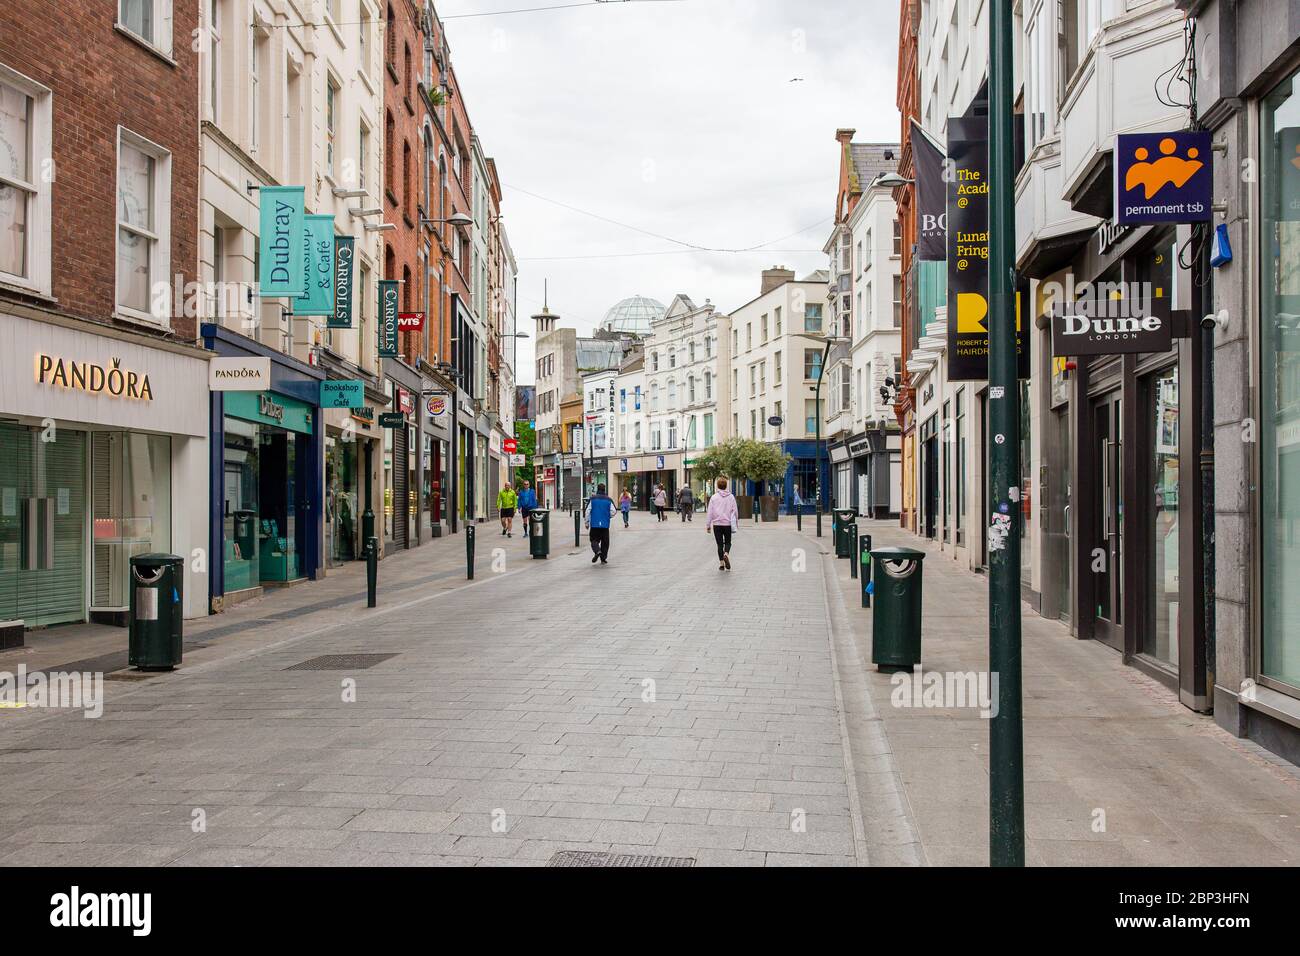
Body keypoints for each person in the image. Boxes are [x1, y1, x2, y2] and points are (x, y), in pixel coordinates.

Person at [705, 474, 739, 571]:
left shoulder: (714, 497)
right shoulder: (731, 497)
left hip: (717, 524)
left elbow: (710, 512)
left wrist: (708, 525)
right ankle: (726, 554)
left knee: (719, 544)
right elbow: (735, 511)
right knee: (728, 542)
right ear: (726, 485)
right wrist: (736, 522)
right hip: (727, 524)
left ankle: (721, 564)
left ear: (718, 486)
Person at [584, 483, 615, 564]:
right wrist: (607, 516)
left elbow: (587, 511)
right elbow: (613, 511)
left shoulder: (592, 499)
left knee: (594, 540)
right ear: (604, 489)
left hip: (594, 524)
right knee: (605, 542)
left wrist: (586, 522)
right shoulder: (609, 499)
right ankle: (603, 558)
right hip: (605, 525)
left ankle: (597, 551)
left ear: (597, 489)